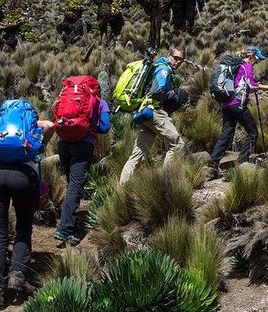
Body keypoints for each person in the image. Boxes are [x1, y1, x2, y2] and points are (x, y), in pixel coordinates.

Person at [0, 102, 54, 310]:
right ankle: (17, 274)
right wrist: (39, 147)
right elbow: (50, 125)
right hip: (23, 177)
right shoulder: (31, 125)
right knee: (24, 226)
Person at [118, 48, 189, 185]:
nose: (178, 62)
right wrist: (173, 94)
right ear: (169, 55)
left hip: (145, 113)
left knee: (137, 154)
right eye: (176, 58)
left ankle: (123, 189)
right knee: (176, 144)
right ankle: (168, 184)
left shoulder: (155, 66)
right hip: (155, 111)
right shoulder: (164, 70)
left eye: (181, 60)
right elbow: (157, 92)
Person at [208, 46, 268, 179]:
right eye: (257, 59)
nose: (258, 62)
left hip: (226, 104)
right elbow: (251, 85)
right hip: (237, 104)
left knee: (226, 135)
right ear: (251, 55)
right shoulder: (246, 66)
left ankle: (212, 166)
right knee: (253, 132)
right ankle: (242, 161)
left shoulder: (236, 66)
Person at [54, 87, 110, 247]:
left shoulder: (65, 97)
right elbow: (105, 127)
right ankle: (64, 229)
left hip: (63, 143)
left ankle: (69, 225)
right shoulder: (100, 102)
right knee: (75, 186)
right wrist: (90, 125)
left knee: (71, 184)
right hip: (83, 145)